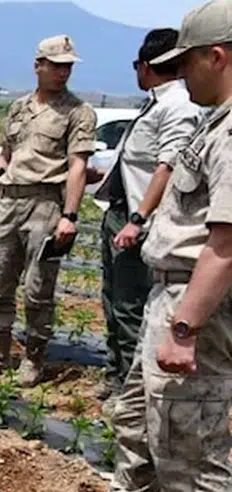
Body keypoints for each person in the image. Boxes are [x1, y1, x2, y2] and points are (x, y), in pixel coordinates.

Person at [57, 0, 232, 492]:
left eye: (188, 64)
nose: (182, 76)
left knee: (192, 427)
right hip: (171, 292)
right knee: (139, 410)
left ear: (218, 56)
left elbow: (226, 244)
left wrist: (185, 326)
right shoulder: (214, 121)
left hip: (197, 303)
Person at [0, 35, 99, 386]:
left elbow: (77, 166)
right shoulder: (18, 108)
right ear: (38, 66)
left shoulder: (78, 112)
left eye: (68, 67)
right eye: (56, 65)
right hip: (9, 201)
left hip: (45, 204)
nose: (63, 72)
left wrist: (69, 215)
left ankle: (33, 359)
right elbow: (4, 158)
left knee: (38, 289)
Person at [93, 29, 202, 400]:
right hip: (120, 214)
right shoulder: (155, 103)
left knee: (130, 307)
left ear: (146, 66)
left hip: (138, 223)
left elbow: (167, 166)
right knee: (114, 300)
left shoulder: (178, 106)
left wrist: (137, 219)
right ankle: (116, 375)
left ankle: (130, 390)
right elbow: (138, 162)